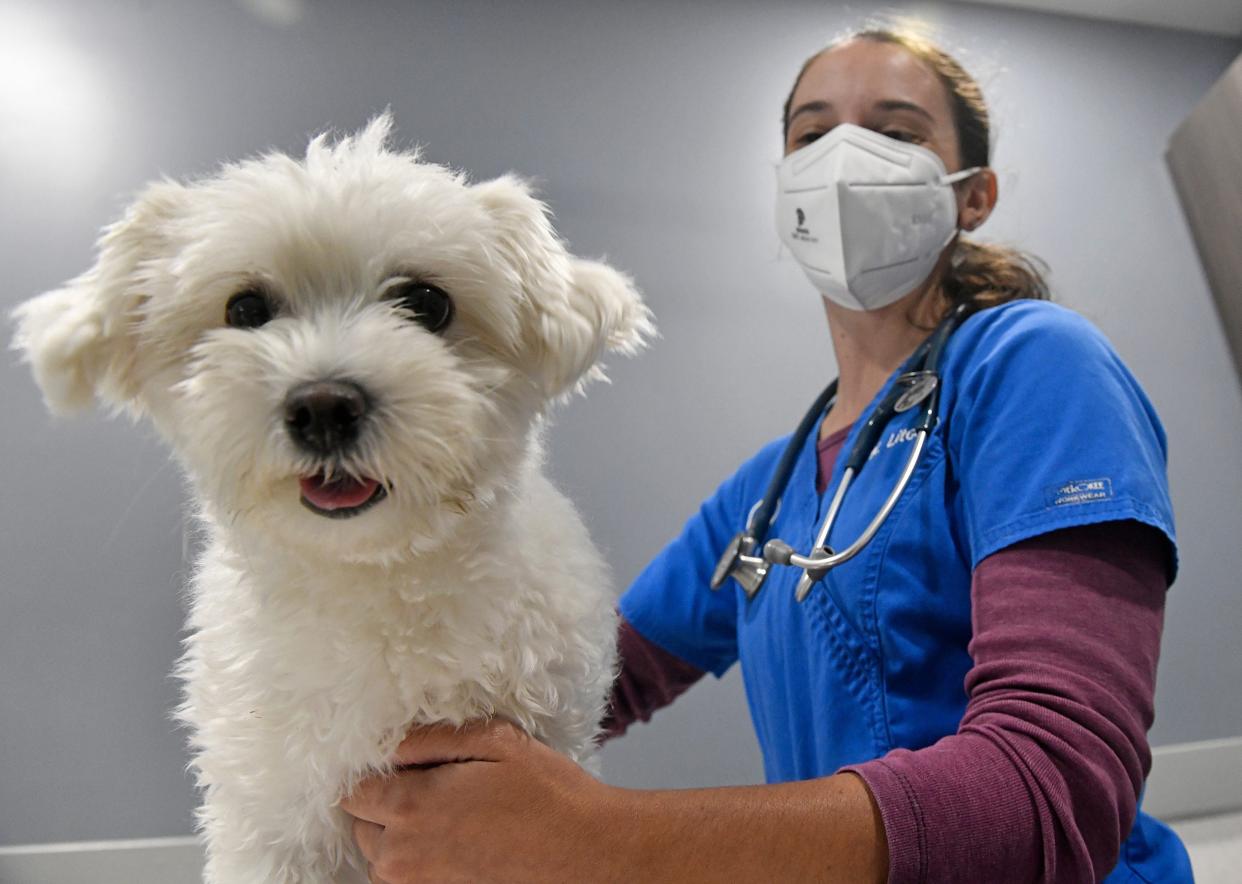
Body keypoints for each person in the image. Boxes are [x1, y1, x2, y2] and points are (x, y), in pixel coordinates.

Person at [341, 27, 1192, 883]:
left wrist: (600, 837)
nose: (845, 161)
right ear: (788, 192)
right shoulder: (766, 493)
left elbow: (1055, 793)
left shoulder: (1032, 363)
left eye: (896, 133)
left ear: (973, 196)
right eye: (812, 136)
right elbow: (589, 682)